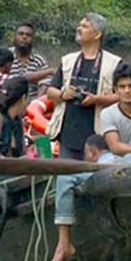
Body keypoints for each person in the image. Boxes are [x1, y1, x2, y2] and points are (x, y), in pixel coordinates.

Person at [46, 13, 122, 160]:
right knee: (67, 178)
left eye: (85, 26)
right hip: (68, 134)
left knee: (96, 179)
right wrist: (63, 94)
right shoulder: (68, 60)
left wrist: (96, 99)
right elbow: (50, 92)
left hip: (99, 136)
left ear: (97, 34)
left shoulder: (114, 63)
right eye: (79, 25)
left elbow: (122, 96)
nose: (79, 28)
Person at [48, 135, 118, 261]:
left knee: (65, 178)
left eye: (86, 155)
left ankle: (64, 243)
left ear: (93, 152)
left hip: (106, 176)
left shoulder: (100, 165)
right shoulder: (124, 158)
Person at [0, 23, 53, 100]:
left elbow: (45, 82)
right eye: (21, 34)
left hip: (31, 100)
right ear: (14, 37)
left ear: (33, 39)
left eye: (28, 35)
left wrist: (37, 102)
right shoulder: (5, 55)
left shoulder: (39, 60)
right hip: (6, 100)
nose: (24, 37)